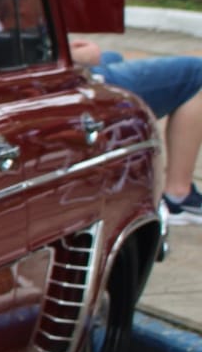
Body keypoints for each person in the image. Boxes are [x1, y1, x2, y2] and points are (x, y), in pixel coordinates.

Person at [71, 39, 202, 222]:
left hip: (53, 72)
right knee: (197, 73)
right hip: (69, 83)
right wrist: (77, 54)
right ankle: (178, 196)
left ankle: (123, 177)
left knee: (113, 57)